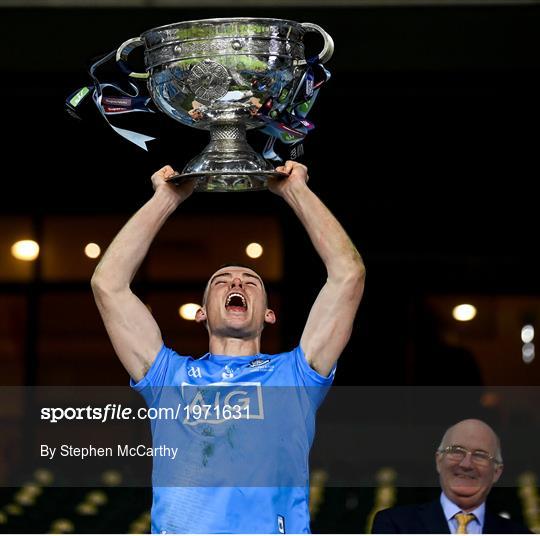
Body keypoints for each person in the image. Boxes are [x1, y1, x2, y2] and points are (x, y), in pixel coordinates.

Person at [91, 161, 365, 534]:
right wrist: (165, 200)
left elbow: (348, 276)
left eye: (251, 281)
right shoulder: (168, 377)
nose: (237, 280)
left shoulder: (296, 376)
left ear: (269, 315)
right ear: (202, 313)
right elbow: (108, 284)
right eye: (222, 280)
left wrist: (295, 191)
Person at [372, 418, 532, 534]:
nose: (466, 464)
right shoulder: (395, 525)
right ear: (438, 461)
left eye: (480, 455)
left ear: (496, 472)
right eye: (456, 451)